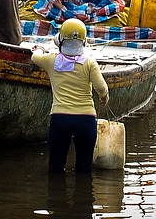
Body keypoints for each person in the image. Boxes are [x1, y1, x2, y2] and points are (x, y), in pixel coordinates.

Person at [31, 18, 109, 174]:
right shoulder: (90, 63)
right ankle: (83, 196)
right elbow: (101, 88)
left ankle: (56, 196)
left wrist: (39, 48)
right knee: (84, 169)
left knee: (56, 168)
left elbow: (34, 57)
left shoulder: (51, 60)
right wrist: (103, 98)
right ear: (84, 41)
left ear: (61, 40)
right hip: (86, 121)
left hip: (60, 120)